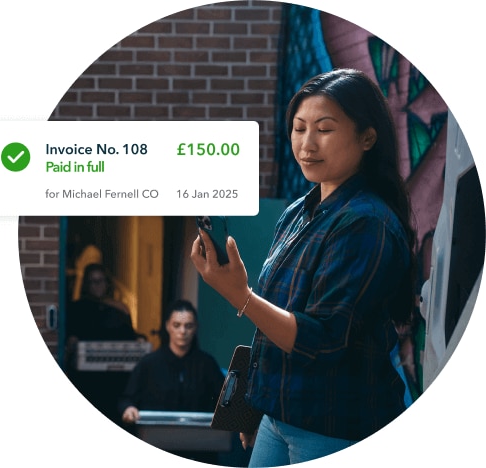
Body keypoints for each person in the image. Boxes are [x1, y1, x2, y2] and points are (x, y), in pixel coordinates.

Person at [191, 68, 417, 466]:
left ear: (368, 137)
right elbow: (275, 322)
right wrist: (254, 403)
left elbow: (324, 339)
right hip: (277, 417)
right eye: (299, 128)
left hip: (334, 428)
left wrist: (239, 296)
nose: (306, 144)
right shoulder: (300, 210)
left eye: (324, 129)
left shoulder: (367, 222)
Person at [119, 299, 225, 464]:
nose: (182, 331)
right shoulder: (148, 364)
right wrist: (128, 409)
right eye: (177, 325)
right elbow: (127, 399)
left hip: (200, 450)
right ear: (168, 326)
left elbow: (225, 401)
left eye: (188, 326)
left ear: (195, 327)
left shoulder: (207, 364)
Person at [66, 263, 144, 425]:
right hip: (88, 377)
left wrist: (139, 339)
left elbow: (129, 335)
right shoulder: (77, 309)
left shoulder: (120, 309)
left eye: (101, 281)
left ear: (107, 283)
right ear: (86, 284)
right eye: (92, 281)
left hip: (115, 377)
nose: (97, 286)